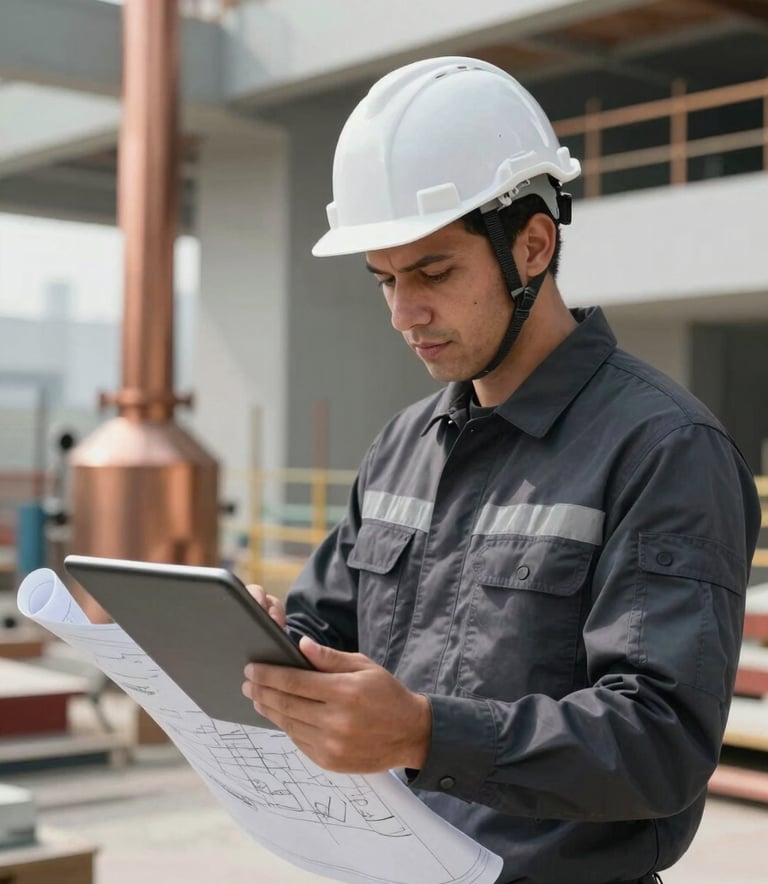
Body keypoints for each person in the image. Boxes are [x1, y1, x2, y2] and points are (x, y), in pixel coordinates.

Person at [241, 57, 761, 884]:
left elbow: (662, 744)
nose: (403, 313)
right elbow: (328, 629)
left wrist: (422, 733)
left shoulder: (663, 450)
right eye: (384, 280)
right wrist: (266, 646)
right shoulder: (403, 445)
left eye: (434, 273)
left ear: (532, 244)